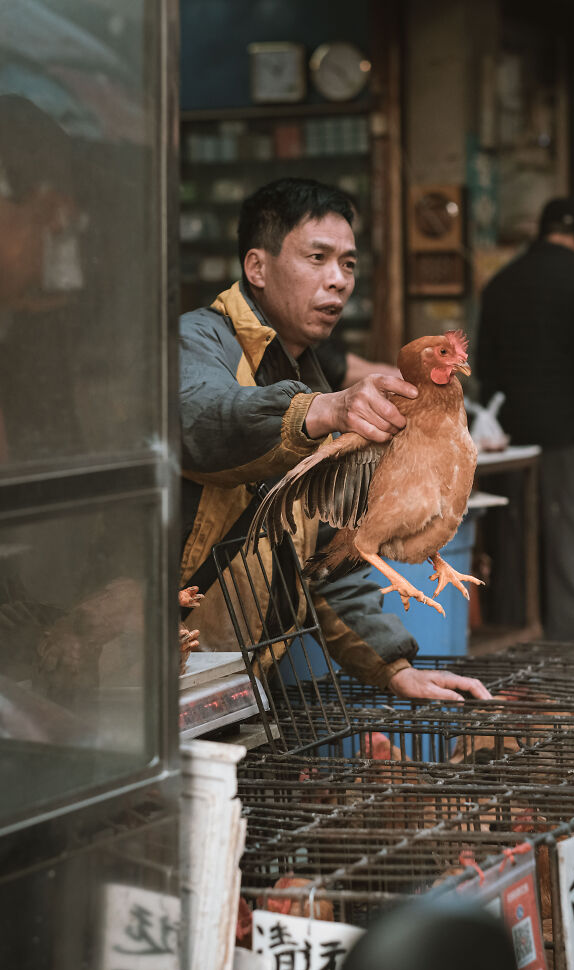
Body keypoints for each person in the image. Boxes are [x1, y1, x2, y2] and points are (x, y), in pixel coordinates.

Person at [179, 177, 490, 703]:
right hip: (158, 662)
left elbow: (327, 556)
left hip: (233, 679)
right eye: (317, 257)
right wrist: (324, 410)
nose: (338, 281)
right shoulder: (197, 340)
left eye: (348, 264)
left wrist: (393, 667)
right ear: (256, 267)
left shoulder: (309, 376)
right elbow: (200, 421)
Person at [476, 198, 574, 642]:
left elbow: (486, 367)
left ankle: (515, 640)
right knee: (571, 542)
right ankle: (568, 647)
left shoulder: (500, 284)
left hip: (511, 443)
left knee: (514, 546)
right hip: (570, 439)